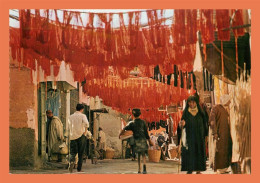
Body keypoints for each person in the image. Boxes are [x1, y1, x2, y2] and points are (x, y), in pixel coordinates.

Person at [178, 95, 208, 174]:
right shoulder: (186, 112)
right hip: (190, 137)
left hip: (199, 137)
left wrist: (206, 134)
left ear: (196, 103)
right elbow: (181, 124)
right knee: (190, 153)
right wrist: (182, 124)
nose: (191, 104)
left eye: (193, 102)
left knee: (198, 152)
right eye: (190, 103)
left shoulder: (201, 112)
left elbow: (205, 123)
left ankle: (198, 169)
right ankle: (190, 169)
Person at [119, 108, 152, 174]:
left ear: (133, 115)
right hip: (143, 139)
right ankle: (144, 168)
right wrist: (149, 141)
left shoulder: (131, 123)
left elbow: (124, 129)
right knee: (143, 155)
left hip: (137, 140)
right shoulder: (143, 122)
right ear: (140, 114)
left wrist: (120, 134)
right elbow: (146, 132)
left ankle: (139, 169)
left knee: (139, 155)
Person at [209, 94, 232, 174]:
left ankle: (224, 168)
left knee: (225, 150)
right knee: (219, 151)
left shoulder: (225, 109)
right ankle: (219, 168)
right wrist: (215, 132)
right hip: (219, 134)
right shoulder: (216, 108)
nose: (229, 102)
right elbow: (212, 120)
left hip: (225, 135)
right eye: (228, 101)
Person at [68, 104, 89, 173]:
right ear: (82, 109)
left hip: (72, 136)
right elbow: (87, 124)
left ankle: (71, 162)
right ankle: (79, 168)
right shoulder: (83, 116)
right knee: (81, 153)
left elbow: (68, 126)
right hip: (81, 135)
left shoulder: (70, 116)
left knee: (73, 152)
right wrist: (85, 132)